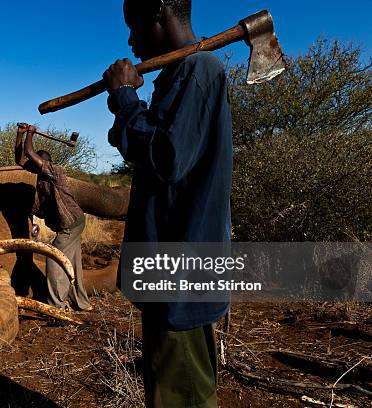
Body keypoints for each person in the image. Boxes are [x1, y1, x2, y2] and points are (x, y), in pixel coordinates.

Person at [102, 0, 232, 407]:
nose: (131, 39)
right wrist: (127, 114)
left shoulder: (199, 70)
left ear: (158, 10)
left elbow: (168, 157)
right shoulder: (179, 74)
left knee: (182, 397)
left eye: (134, 24)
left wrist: (125, 99)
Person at [14, 124, 92, 311]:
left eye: (36, 162)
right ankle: (81, 303)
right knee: (71, 263)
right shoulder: (40, 174)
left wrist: (30, 134)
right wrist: (19, 135)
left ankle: (57, 305)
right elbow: (21, 159)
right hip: (73, 222)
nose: (31, 166)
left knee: (55, 258)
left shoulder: (55, 171)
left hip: (71, 224)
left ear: (43, 162)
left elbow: (30, 153)